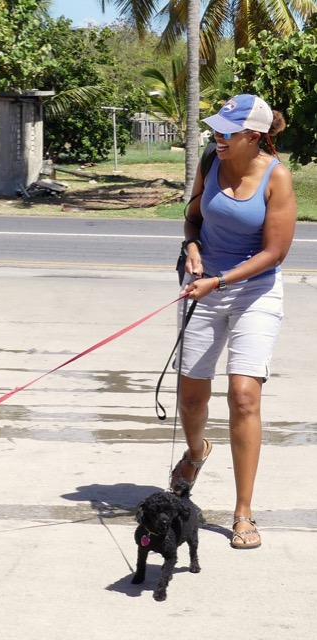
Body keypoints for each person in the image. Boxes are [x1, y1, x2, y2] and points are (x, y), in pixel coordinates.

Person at [170, 94, 296, 549]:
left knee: (243, 396)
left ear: (254, 135)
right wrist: (192, 248)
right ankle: (196, 451)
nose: (218, 136)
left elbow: (274, 253)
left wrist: (220, 281)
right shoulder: (211, 160)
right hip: (202, 285)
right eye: (216, 129)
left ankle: (243, 512)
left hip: (253, 291)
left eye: (228, 131)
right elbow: (192, 218)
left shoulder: (276, 177)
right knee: (191, 397)